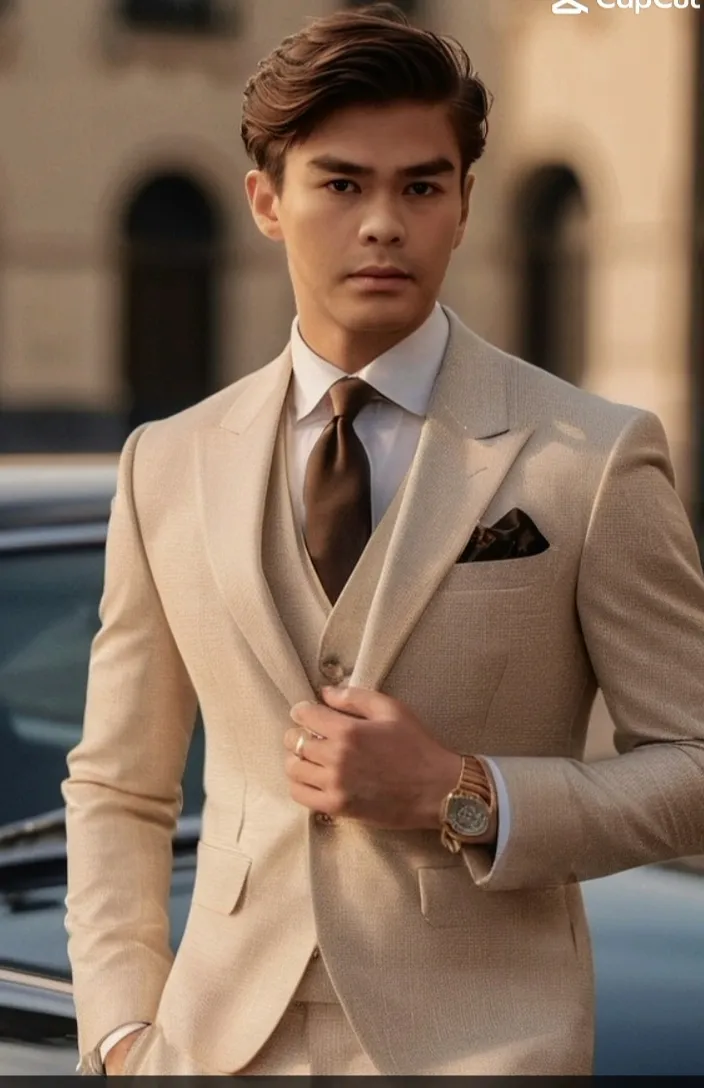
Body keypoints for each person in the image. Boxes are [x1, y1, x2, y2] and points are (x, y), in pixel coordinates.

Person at [63, 2, 704, 1077]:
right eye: (341, 183)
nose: (381, 223)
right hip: (214, 1047)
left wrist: (467, 791)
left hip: (482, 1046)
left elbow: (689, 764)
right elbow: (119, 783)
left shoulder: (589, 458)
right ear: (267, 202)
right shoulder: (164, 462)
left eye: (420, 186)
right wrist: (124, 1029)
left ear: (461, 206)